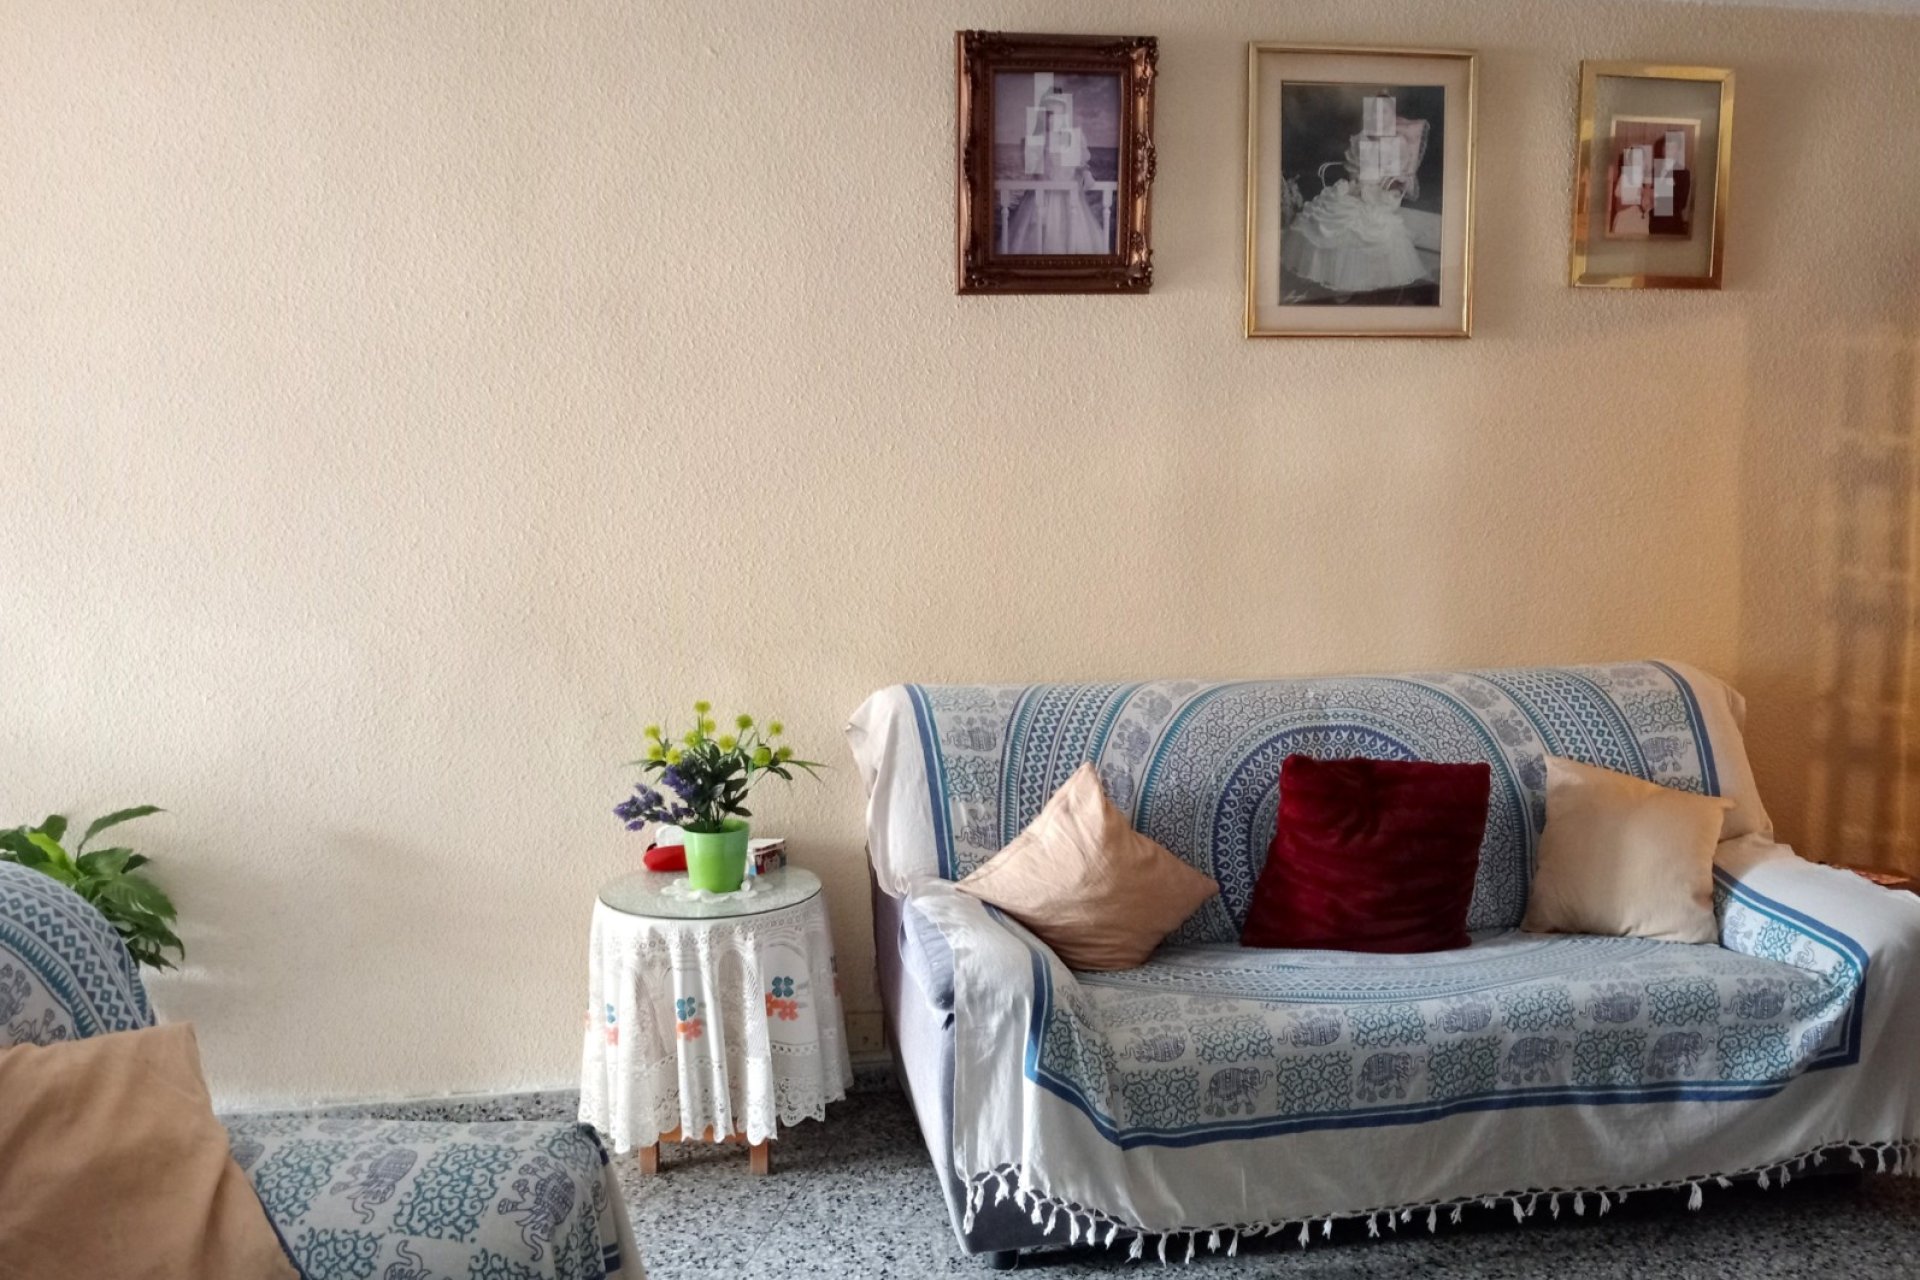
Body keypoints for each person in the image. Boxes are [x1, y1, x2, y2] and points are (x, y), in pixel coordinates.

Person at [1003, 82, 1108, 255]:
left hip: (1068, 200)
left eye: (1056, 113)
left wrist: (1085, 172)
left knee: (1071, 241)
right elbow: (1034, 169)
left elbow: (1080, 163)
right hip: (1040, 199)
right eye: (1048, 113)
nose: (1051, 118)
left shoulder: (1073, 137)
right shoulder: (1036, 140)